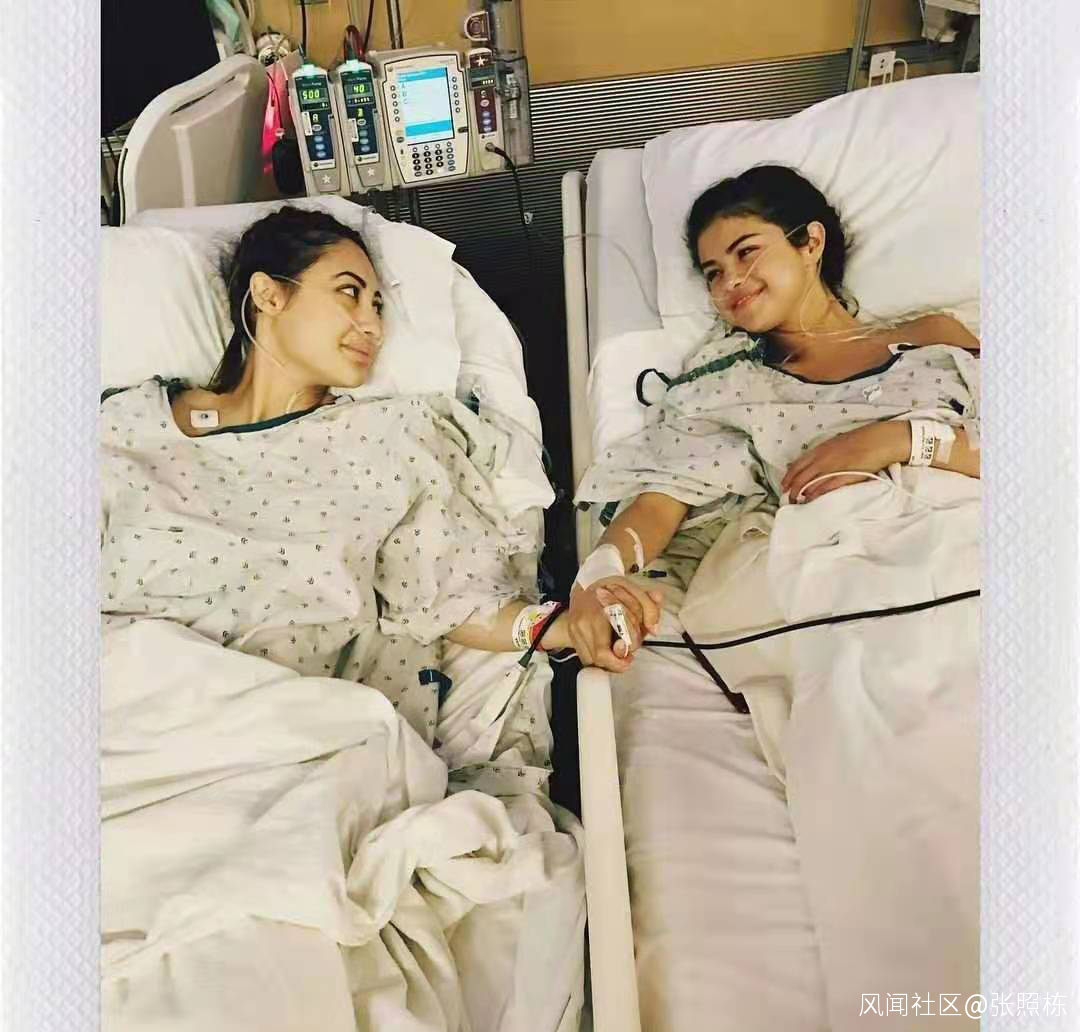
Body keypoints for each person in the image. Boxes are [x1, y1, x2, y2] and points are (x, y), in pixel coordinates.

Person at [100, 206, 584, 1032]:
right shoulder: (122, 430)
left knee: (246, 960)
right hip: (130, 720)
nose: (372, 324)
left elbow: (443, 597)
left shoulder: (396, 435)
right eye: (349, 293)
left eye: (382, 307)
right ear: (268, 296)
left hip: (298, 744)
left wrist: (558, 628)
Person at [568, 166, 981, 1030]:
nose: (729, 283)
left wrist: (903, 438)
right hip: (847, 567)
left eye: (746, 253)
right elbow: (659, 503)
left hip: (971, 531)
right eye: (711, 272)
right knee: (886, 720)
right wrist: (603, 569)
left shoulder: (937, 337)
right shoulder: (724, 383)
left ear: (811, 242)